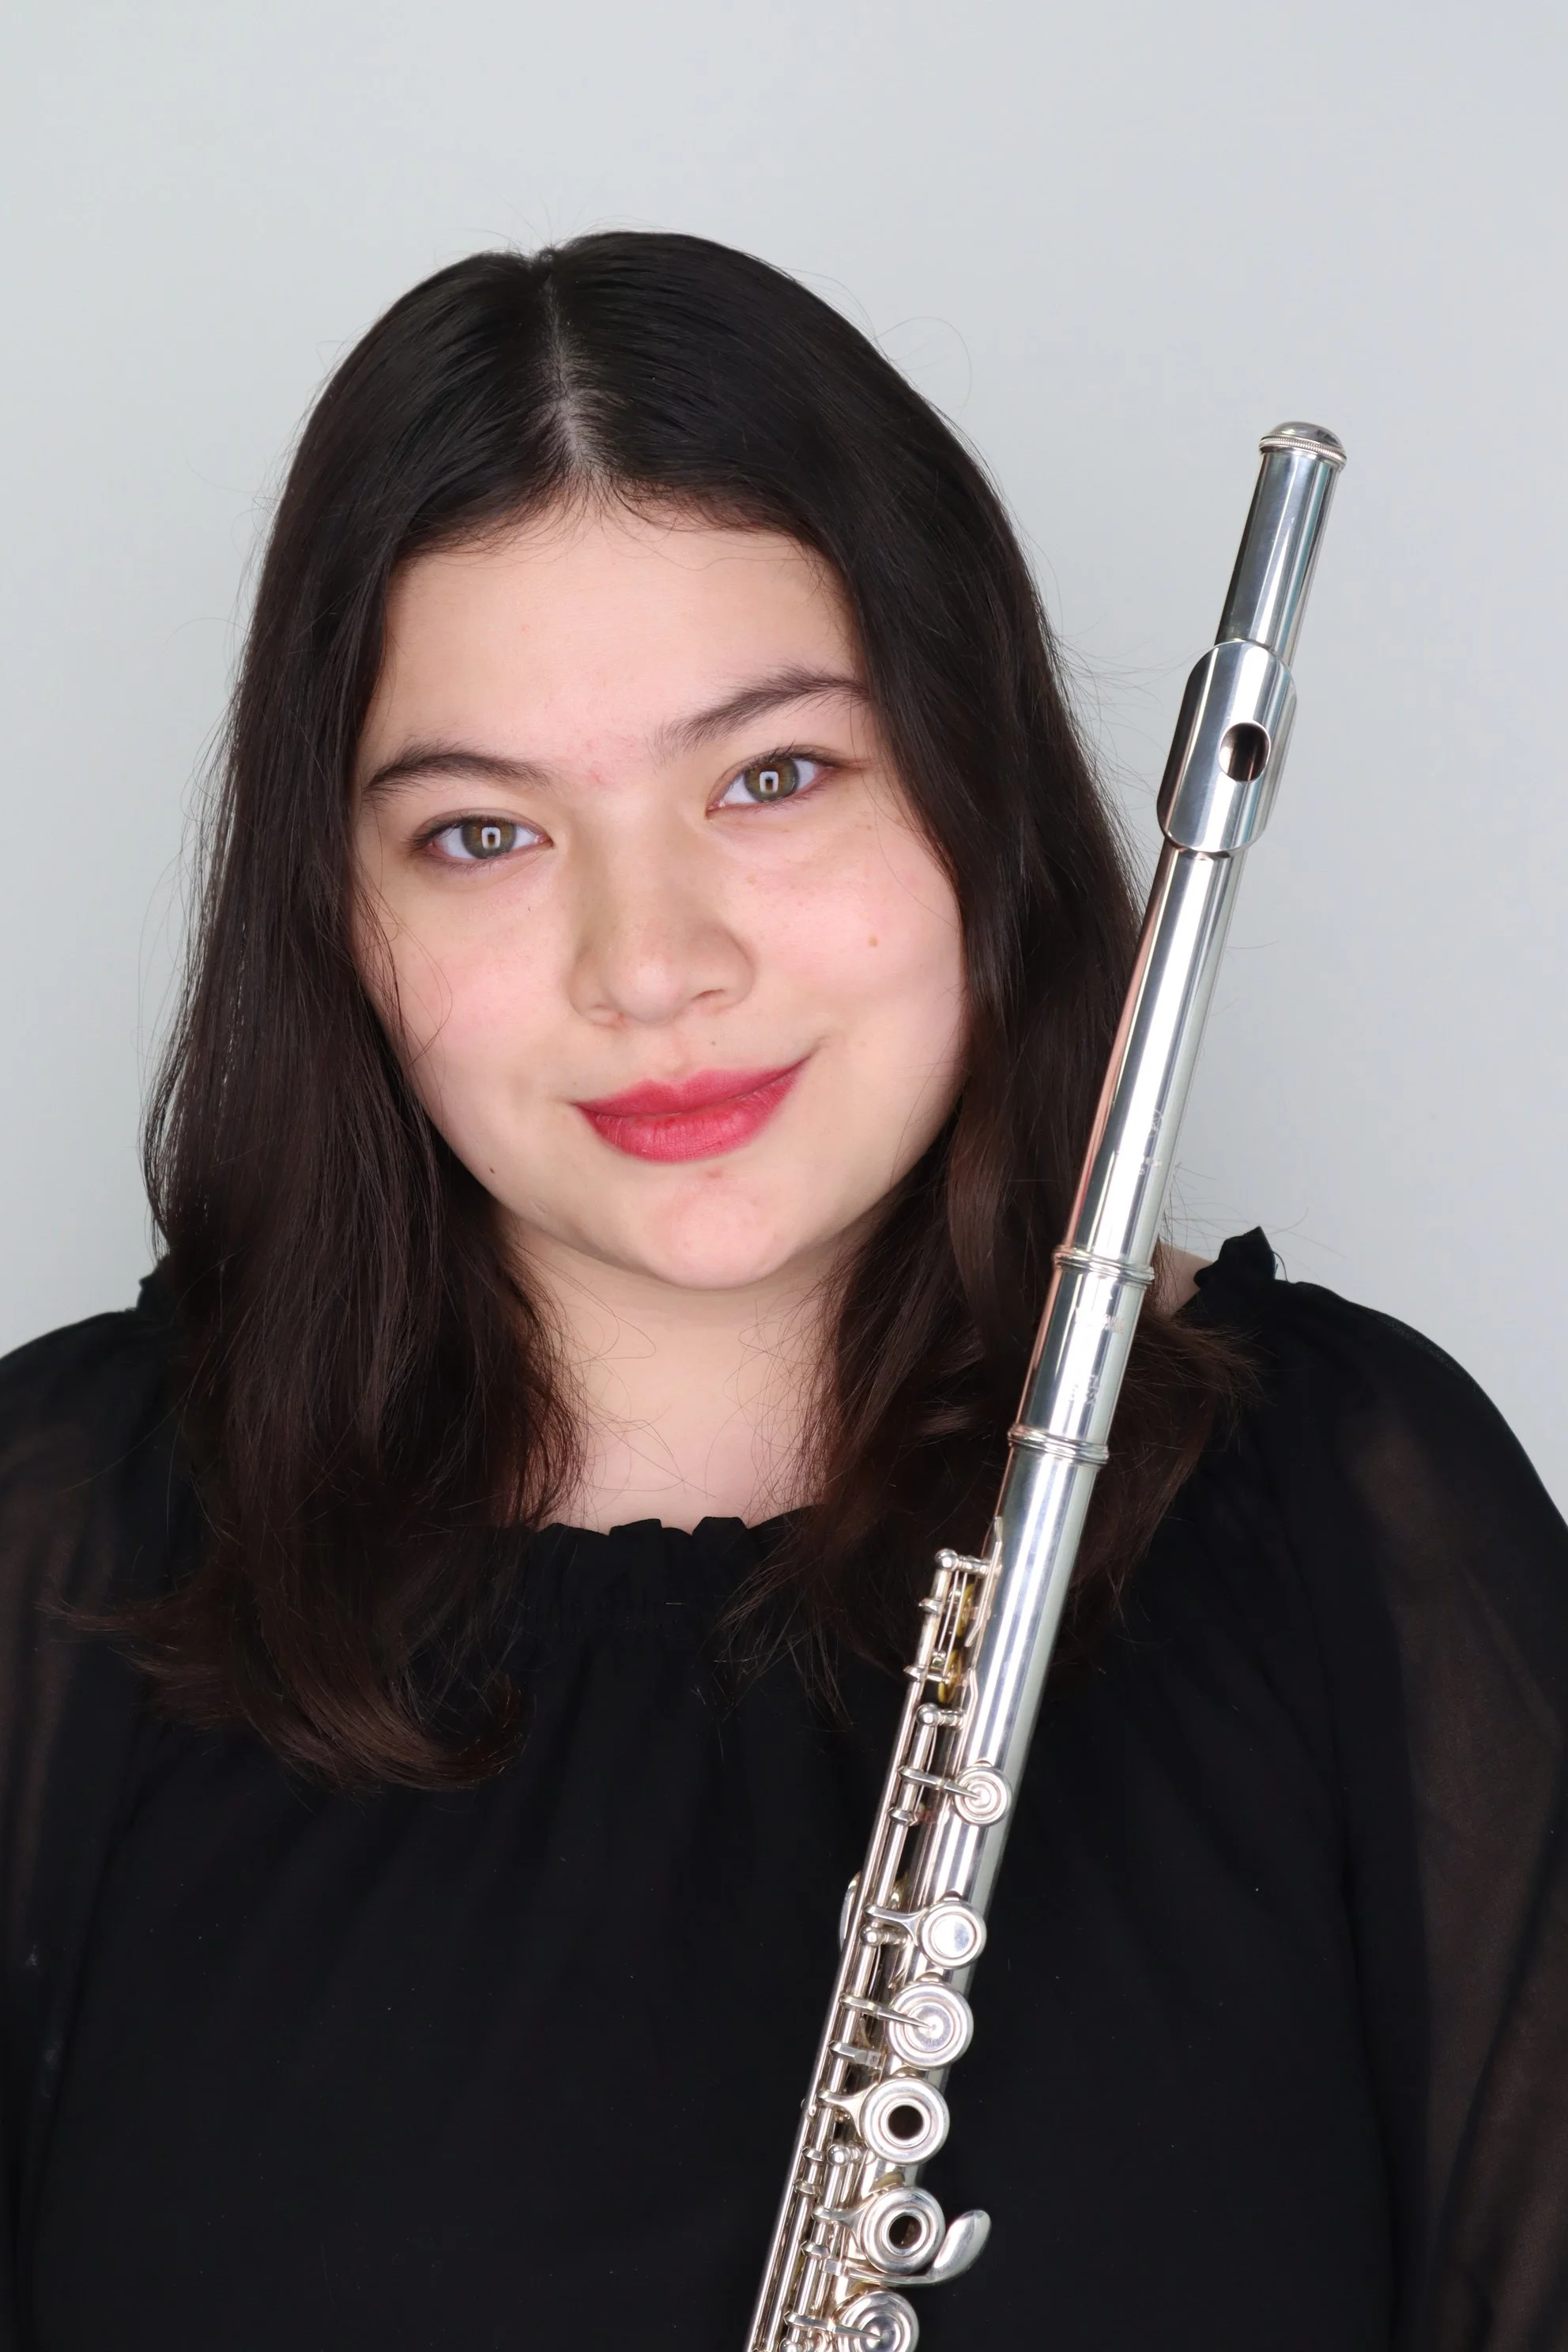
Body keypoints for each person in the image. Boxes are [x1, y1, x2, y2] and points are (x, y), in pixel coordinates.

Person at [2, 233, 1565, 2352]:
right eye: (480, 835)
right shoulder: (53, 1543)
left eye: (772, 776)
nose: (649, 965)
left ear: (974, 789)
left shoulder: (1361, 1531)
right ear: (338, 920)